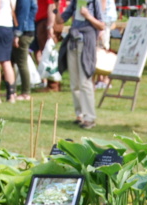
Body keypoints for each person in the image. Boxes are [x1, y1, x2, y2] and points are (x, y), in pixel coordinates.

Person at [57, 0, 104, 129]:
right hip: (73, 42)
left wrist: (88, 16)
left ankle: (90, 118)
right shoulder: (75, 2)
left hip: (86, 43)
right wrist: (56, 5)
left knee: (85, 81)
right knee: (75, 83)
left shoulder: (94, 2)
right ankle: (80, 114)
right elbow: (60, 20)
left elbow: (101, 25)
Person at [11, 0, 36, 101]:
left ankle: (26, 93)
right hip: (26, 30)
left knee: (22, 63)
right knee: (13, 61)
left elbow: (23, 15)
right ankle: (12, 91)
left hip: (24, 32)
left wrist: (17, 34)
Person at [33, 0, 55, 64]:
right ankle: (43, 69)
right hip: (38, 21)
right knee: (38, 49)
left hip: (44, 21)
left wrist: (50, 26)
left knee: (45, 49)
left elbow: (52, 5)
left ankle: (48, 68)